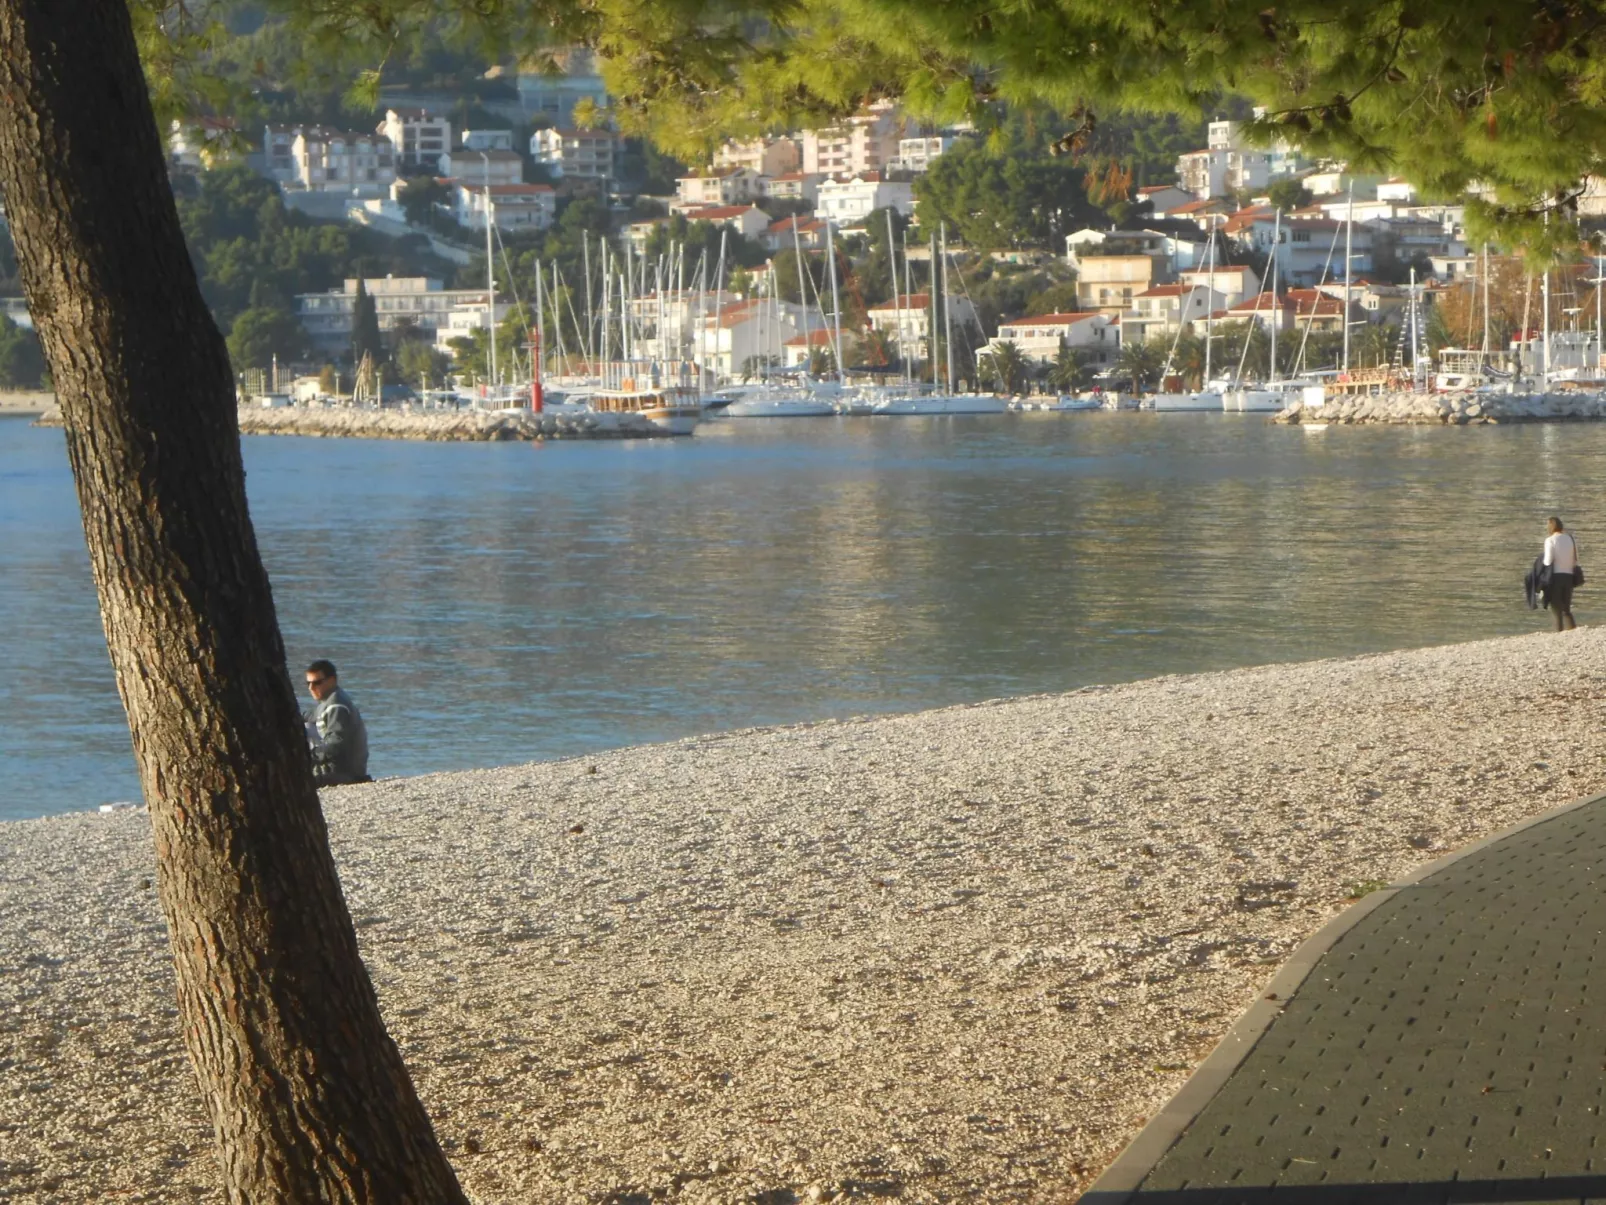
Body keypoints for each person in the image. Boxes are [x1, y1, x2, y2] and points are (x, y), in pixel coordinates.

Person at [303, 659, 370, 785]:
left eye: (317, 683)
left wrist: (308, 758)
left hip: (347, 773)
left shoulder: (337, 706)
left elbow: (336, 745)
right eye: (308, 683)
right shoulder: (329, 700)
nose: (311, 688)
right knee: (306, 726)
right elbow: (311, 716)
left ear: (332, 680)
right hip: (340, 768)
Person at [1543, 516, 1581, 632]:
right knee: (1566, 610)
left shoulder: (1550, 540)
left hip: (1556, 577)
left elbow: (1548, 561)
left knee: (1556, 609)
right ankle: (1573, 631)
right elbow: (1576, 559)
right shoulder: (1570, 538)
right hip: (1569, 576)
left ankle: (1557, 633)